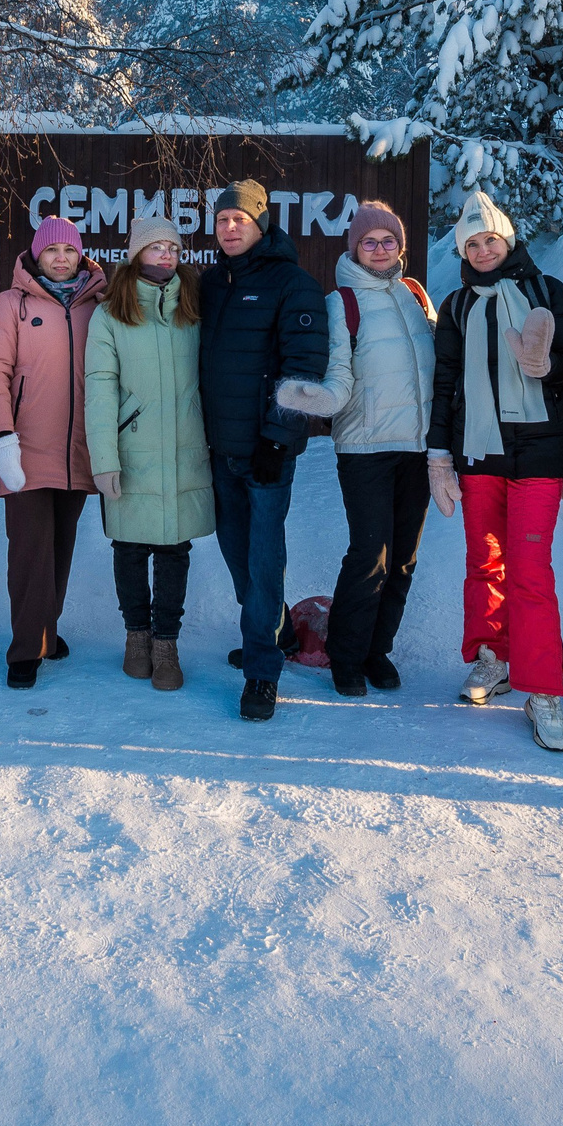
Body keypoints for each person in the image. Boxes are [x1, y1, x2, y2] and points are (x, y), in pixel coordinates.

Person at [427, 191, 563, 752]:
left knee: (530, 572)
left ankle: (542, 689)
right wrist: (438, 455)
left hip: (539, 457)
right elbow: (444, 385)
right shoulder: (456, 306)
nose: (481, 250)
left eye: (489, 239)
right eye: (470, 244)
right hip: (478, 457)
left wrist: (548, 368)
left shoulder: (548, 293)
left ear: (508, 240)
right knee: (484, 563)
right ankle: (493, 658)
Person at [276, 200, 436, 698]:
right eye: (370, 241)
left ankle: (376, 650)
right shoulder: (340, 302)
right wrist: (319, 399)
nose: (380, 249)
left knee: (404, 556)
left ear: (400, 246)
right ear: (355, 248)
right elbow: (339, 376)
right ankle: (345, 654)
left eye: (388, 240)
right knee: (372, 553)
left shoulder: (414, 295)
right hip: (366, 448)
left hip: (418, 447)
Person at [196, 180, 329, 722]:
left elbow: (304, 366)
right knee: (235, 552)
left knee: (264, 557)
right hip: (219, 448)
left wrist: (278, 436)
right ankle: (270, 632)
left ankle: (261, 673)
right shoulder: (209, 284)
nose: (231, 228)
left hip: (265, 451)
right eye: (223, 220)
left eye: (240, 220)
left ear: (261, 224)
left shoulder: (291, 284)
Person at [0, 215, 108, 688]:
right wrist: (0, 437)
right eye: (51, 251)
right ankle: (25, 649)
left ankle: (46, 630)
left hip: (79, 449)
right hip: (25, 447)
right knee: (31, 548)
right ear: (36, 256)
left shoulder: (99, 302)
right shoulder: (11, 305)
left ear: (80, 255)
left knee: (60, 545)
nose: (60, 258)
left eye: (69, 251)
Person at [84, 215, 212, 694]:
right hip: (130, 448)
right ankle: (136, 639)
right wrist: (105, 459)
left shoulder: (195, 303)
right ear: (135, 253)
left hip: (185, 448)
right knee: (131, 549)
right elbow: (99, 390)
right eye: (155, 247)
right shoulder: (110, 313)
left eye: (173, 248)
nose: (166, 256)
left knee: (175, 551)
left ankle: (166, 645)